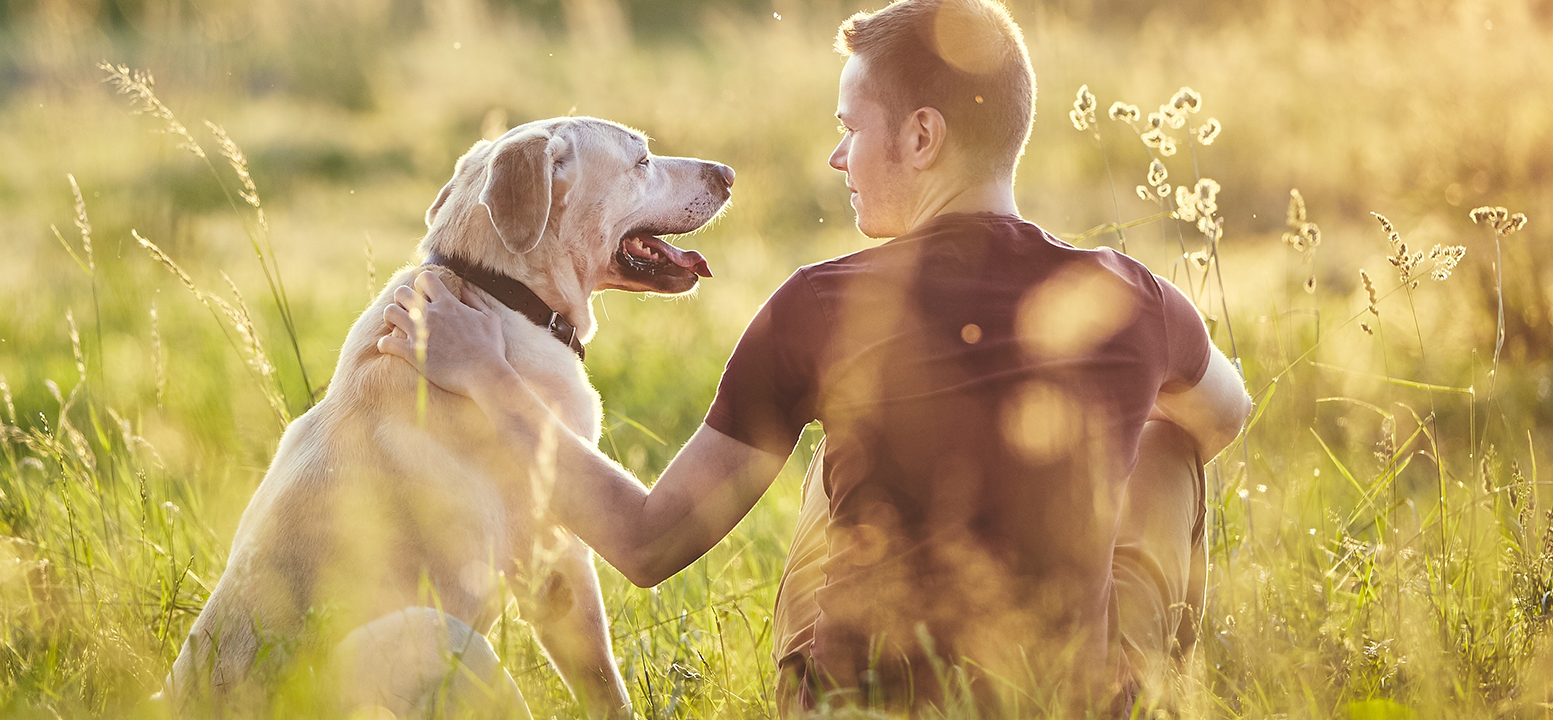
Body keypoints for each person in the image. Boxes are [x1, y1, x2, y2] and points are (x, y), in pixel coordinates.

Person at [378, 0, 1252, 713]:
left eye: (850, 129)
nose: (838, 156)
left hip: (853, 705)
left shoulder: (823, 304)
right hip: (1048, 700)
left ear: (920, 137)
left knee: (832, 449)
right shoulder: (1131, 295)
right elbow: (1226, 416)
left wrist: (487, 377)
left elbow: (647, 545)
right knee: (1169, 440)